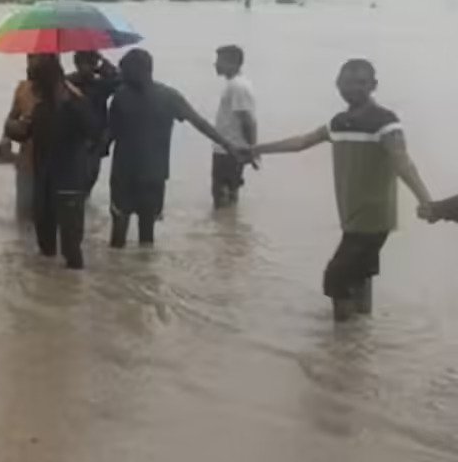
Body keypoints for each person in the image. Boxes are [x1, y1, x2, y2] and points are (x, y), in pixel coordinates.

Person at [250, 59, 433, 321]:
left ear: (373, 85)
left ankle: (344, 343)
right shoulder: (339, 123)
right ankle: (361, 337)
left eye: (361, 83)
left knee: (335, 278)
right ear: (338, 85)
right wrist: (258, 149)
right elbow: (302, 141)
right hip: (351, 216)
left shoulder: (385, 122)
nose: (353, 88)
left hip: (372, 219)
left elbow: (402, 161)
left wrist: (426, 200)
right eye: (347, 82)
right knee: (360, 274)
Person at [107, 48, 241, 248]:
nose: (122, 76)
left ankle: (118, 276)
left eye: (125, 72)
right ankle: (143, 277)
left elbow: (109, 134)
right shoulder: (169, 97)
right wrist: (227, 145)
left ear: (137, 72)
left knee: (118, 236)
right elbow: (199, 122)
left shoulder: (121, 97)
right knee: (147, 238)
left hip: (123, 176)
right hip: (154, 176)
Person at [7, 55, 95, 267]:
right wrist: (11, 127)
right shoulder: (41, 110)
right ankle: (49, 292)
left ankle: (70, 292)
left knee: (71, 249)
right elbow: (22, 133)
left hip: (69, 186)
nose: (33, 90)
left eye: (37, 84)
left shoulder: (77, 107)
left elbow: (95, 136)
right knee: (45, 246)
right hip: (45, 183)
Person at [211, 44, 257, 208]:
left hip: (230, 151)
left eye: (219, 60)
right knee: (226, 197)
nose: (215, 64)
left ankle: (225, 229)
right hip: (227, 149)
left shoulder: (238, 86)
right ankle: (229, 230)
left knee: (222, 197)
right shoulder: (234, 85)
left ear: (233, 63)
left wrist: (252, 149)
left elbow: (248, 120)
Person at [0, 54, 43, 219]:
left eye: (36, 60)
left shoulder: (64, 93)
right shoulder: (23, 89)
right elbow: (12, 116)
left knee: (47, 219)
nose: (30, 64)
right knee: (23, 215)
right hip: (26, 163)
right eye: (29, 59)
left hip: (52, 166)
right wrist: (5, 138)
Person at [69, 50, 119, 194]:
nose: (87, 68)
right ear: (76, 64)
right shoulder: (69, 83)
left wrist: (108, 67)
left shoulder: (101, 84)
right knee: (76, 181)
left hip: (95, 141)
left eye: (91, 64)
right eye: (83, 63)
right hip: (74, 140)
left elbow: (122, 81)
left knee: (90, 178)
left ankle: (84, 207)